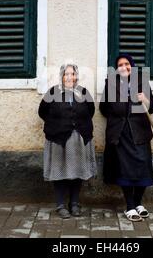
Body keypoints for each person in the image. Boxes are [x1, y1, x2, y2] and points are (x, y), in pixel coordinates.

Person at [99, 53, 153, 222]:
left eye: (127, 64)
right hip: (120, 134)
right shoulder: (111, 83)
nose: (124, 67)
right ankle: (130, 206)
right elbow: (103, 108)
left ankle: (138, 203)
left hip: (139, 132)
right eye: (120, 65)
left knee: (143, 167)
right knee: (124, 170)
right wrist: (117, 116)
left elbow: (152, 107)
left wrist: (144, 99)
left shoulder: (142, 82)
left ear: (132, 66)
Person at [39, 63, 97, 219]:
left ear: (76, 76)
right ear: (62, 76)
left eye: (72, 74)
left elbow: (90, 111)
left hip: (79, 139)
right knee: (60, 173)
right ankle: (60, 205)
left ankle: (75, 203)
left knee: (77, 172)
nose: (70, 77)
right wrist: (59, 125)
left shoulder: (84, 92)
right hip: (58, 139)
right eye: (66, 74)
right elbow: (42, 112)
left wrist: (77, 126)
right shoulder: (52, 92)